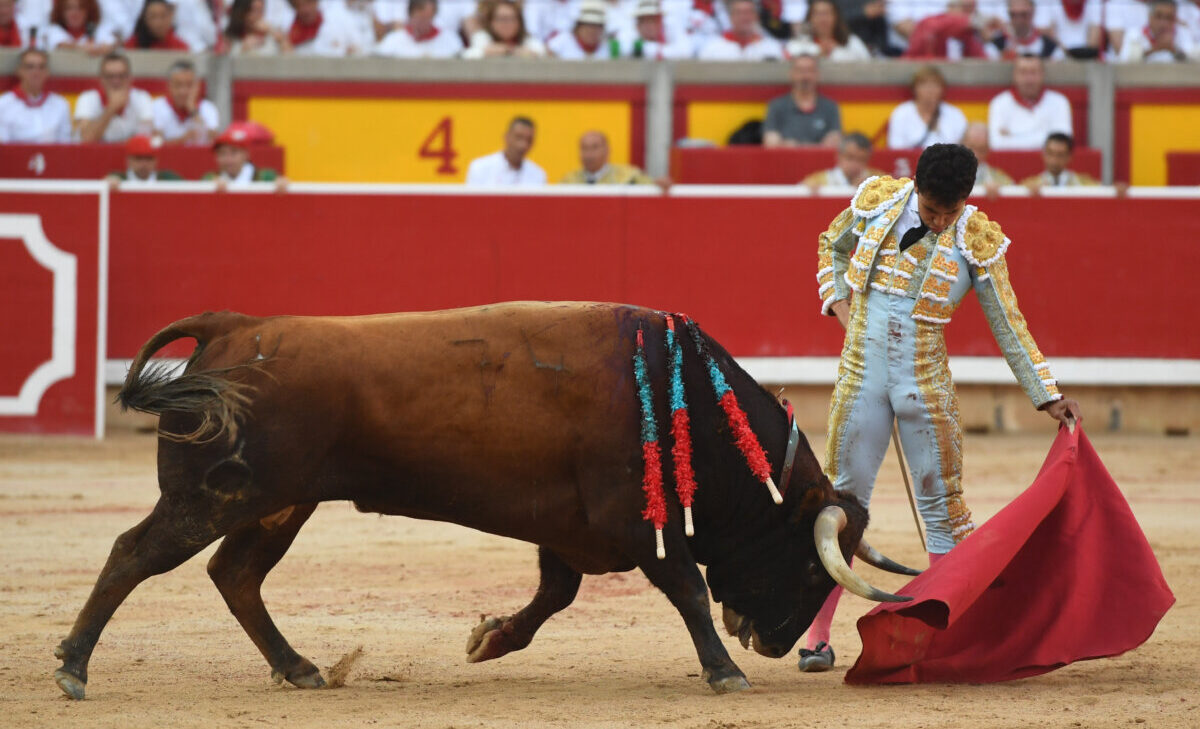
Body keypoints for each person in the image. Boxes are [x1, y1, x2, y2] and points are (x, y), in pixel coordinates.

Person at [807, 143, 1082, 672]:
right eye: (931, 210)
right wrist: (840, 305)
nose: (937, 222)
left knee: (944, 510)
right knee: (841, 502)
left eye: (948, 213)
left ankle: (949, 638)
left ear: (965, 201)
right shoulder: (877, 201)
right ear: (915, 187)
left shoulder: (976, 237)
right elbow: (831, 245)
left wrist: (1046, 394)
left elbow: (1007, 320)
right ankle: (817, 636)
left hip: (925, 386)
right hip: (861, 374)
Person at [987, 55, 1072, 151]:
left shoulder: (1059, 102)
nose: (1029, 79)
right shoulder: (999, 103)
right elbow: (996, 144)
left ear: (1042, 74)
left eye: (1034, 72)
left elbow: (1062, 143)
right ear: (1014, 76)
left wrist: (1012, 136)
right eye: (1023, 72)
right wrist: (1045, 135)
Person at [763, 54, 841, 148]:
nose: (805, 76)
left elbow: (835, 142)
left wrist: (791, 146)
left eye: (809, 71)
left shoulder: (830, 107)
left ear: (817, 74)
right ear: (791, 74)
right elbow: (770, 142)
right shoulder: (776, 106)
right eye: (800, 71)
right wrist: (817, 147)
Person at [73, 52, 153, 144]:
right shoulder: (87, 98)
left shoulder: (142, 98)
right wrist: (111, 108)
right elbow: (86, 139)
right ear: (101, 78)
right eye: (110, 76)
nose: (116, 81)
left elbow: (146, 138)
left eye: (121, 76)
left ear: (130, 77)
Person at [887, 65, 968, 150]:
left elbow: (964, 149)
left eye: (935, 84)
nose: (930, 90)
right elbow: (896, 149)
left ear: (942, 89)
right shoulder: (902, 113)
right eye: (924, 85)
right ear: (914, 88)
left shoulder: (955, 114)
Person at [0, 48, 72, 143]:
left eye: (41, 67)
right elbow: (4, 149)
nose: (36, 72)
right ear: (19, 71)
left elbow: (65, 146)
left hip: (52, 157)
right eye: (30, 67)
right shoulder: (3, 104)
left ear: (47, 72)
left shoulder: (60, 104)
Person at [152, 59, 220, 145]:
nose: (183, 91)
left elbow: (213, 143)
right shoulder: (158, 106)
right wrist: (183, 140)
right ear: (169, 86)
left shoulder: (208, 108)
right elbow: (155, 144)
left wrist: (193, 111)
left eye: (189, 85)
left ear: (198, 86)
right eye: (178, 85)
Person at [465, 116, 547, 186]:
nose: (523, 145)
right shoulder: (480, 168)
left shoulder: (538, 174)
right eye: (518, 137)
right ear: (506, 136)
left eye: (528, 140)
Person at [561, 130, 657, 184]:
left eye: (594, 148)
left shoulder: (629, 176)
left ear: (607, 150)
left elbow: (653, 188)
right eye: (584, 148)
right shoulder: (569, 180)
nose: (588, 154)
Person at [697, 0, 785, 59]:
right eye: (738, 13)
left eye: (748, 12)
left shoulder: (771, 47)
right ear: (731, 17)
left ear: (756, 16)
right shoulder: (712, 48)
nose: (744, 17)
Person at [902, 0, 991, 59]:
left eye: (972, 9)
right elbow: (936, 27)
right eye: (965, 8)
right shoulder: (929, 22)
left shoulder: (968, 33)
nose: (969, 14)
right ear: (950, 7)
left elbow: (981, 58)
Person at [204, 122, 283, 187]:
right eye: (222, 153)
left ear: (246, 155)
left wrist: (282, 185)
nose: (228, 159)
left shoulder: (266, 177)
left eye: (234, 152)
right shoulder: (209, 179)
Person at [786, 0, 871, 60]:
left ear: (836, 17)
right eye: (817, 14)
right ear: (809, 18)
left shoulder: (852, 42)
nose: (822, 19)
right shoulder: (798, 44)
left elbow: (868, 67)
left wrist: (838, 51)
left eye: (827, 13)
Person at [375, 0, 464, 57]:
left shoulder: (450, 41)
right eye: (420, 19)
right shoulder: (393, 41)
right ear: (410, 15)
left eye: (427, 19)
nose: (423, 24)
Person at [462, 0, 547, 58]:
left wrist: (510, 50)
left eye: (512, 18)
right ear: (491, 22)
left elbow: (542, 52)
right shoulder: (481, 37)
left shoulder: (527, 39)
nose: (507, 24)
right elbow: (468, 55)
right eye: (502, 19)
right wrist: (485, 52)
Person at [1118, 0, 1196, 62]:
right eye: (1159, 16)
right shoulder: (1135, 34)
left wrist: (1173, 49)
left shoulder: (1183, 33)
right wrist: (1155, 49)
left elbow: (1194, 60)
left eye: (1169, 18)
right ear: (1150, 17)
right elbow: (1124, 61)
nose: (1164, 23)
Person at [614, 0, 693, 59]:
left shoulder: (670, 28)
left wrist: (650, 50)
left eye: (653, 21)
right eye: (645, 21)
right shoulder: (630, 32)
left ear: (660, 23)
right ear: (638, 25)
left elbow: (686, 51)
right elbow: (622, 47)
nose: (650, 26)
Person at [800, 132, 882, 189]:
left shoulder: (878, 181)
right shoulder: (818, 181)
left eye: (861, 160)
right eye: (850, 157)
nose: (855, 164)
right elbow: (798, 190)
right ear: (839, 156)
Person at [987, 0, 1064, 58]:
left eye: (1023, 15)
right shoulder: (997, 45)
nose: (1018, 20)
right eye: (1013, 15)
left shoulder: (1049, 45)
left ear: (1033, 13)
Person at [1020, 132, 1097, 190]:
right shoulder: (1030, 185)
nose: (1054, 160)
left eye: (1060, 155)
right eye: (1050, 153)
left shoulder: (1085, 184)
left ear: (1069, 157)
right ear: (1043, 154)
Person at [287, 0, 365, 56]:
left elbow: (359, 49)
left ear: (316, 2)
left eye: (308, 2)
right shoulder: (287, 29)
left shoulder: (340, 19)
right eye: (299, 5)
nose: (305, 10)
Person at [39, 0, 117, 53]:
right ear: (61, 12)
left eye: (80, 8)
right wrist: (87, 49)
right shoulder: (53, 30)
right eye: (69, 8)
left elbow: (111, 44)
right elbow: (62, 45)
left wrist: (104, 49)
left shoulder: (100, 29)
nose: (75, 13)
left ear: (89, 11)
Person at [546, 0, 613, 59]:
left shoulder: (608, 48)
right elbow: (545, 54)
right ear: (578, 27)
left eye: (597, 26)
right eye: (588, 25)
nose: (592, 30)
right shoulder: (562, 41)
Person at [106, 134, 182, 184]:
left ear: (156, 161)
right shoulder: (120, 178)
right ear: (129, 160)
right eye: (138, 158)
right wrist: (108, 182)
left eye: (149, 158)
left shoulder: (167, 178)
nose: (144, 164)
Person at [961, 121, 1014, 193]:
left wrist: (1001, 189)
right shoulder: (947, 174)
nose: (975, 155)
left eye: (981, 150)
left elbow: (1013, 192)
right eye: (971, 148)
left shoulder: (1000, 180)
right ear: (961, 146)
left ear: (987, 151)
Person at [225, 0, 293, 55]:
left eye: (260, 10)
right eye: (253, 10)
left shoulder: (273, 33)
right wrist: (243, 49)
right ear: (241, 12)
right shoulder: (229, 37)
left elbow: (291, 61)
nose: (257, 16)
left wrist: (281, 40)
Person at [124, 0, 190, 49]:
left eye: (163, 16)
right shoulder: (132, 45)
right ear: (144, 18)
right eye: (153, 16)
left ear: (171, 17)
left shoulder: (180, 47)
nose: (158, 23)